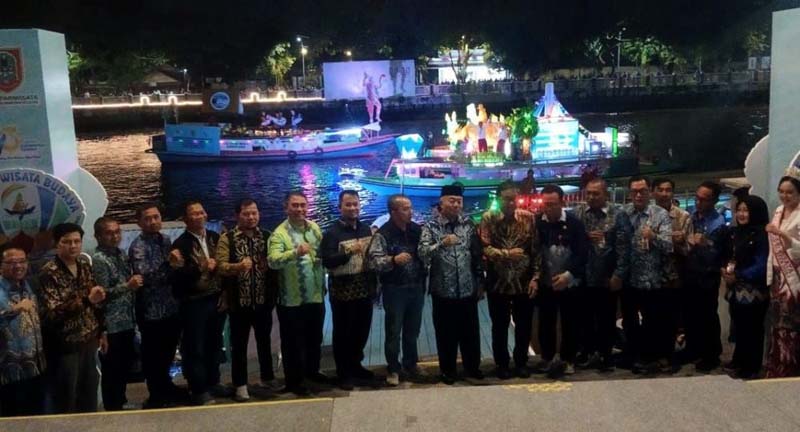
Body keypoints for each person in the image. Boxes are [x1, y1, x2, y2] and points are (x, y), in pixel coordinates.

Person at [419, 184, 485, 384]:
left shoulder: (469, 224)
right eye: (452, 201)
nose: (456, 205)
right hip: (442, 290)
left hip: (467, 288)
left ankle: (472, 367)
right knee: (445, 333)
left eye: (459, 201)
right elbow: (422, 253)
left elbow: (477, 254)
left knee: (470, 332)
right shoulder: (430, 226)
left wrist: (480, 281)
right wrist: (441, 244)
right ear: (442, 203)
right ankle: (447, 370)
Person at [39, 223, 105, 413]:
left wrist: (102, 331)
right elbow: (53, 313)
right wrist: (87, 300)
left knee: (89, 393)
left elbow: (95, 302)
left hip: (89, 340)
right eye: (67, 242)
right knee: (66, 397)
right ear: (57, 244)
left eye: (77, 241)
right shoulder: (49, 272)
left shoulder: (84, 266)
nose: (73, 246)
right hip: (65, 345)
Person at [216, 199, 278, 401]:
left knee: (264, 342)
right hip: (239, 303)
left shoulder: (266, 236)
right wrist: (238, 267)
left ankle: (267, 378)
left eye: (254, 213)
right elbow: (220, 266)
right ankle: (240, 384)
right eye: (246, 214)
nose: (251, 217)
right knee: (239, 346)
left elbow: (274, 262)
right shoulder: (228, 238)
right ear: (237, 216)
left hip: (263, 300)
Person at [480, 181, 541, 379]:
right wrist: (507, 254)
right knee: (499, 326)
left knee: (523, 326)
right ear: (498, 199)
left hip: (523, 282)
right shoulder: (488, 218)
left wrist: (536, 277)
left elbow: (536, 250)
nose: (511, 203)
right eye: (507, 199)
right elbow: (484, 248)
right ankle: (502, 364)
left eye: (514, 199)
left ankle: (521, 362)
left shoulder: (528, 218)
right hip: (498, 282)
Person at [268, 192, 326, 395]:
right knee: (293, 343)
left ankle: (312, 372)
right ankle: (294, 381)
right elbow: (273, 261)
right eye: (295, 205)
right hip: (291, 300)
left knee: (314, 338)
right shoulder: (279, 234)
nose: (300, 209)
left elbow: (321, 252)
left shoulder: (314, 228)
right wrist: (295, 253)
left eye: (303, 205)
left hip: (315, 295)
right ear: (286, 208)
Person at [572, 178, 632, 371]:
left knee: (606, 318)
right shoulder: (577, 213)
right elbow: (570, 241)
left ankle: (605, 354)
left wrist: (619, 274)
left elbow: (624, 248)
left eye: (596, 193)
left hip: (607, 277)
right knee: (583, 318)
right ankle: (586, 352)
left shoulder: (618, 214)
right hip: (582, 276)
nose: (591, 197)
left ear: (605, 194)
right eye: (588, 193)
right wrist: (585, 237)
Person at [169, 201, 225, 405]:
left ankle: (213, 382)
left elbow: (223, 266)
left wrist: (225, 293)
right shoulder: (180, 244)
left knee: (214, 343)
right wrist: (201, 267)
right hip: (193, 303)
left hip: (215, 298)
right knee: (194, 347)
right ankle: (198, 388)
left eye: (201, 212)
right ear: (185, 219)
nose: (199, 216)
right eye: (193, 214)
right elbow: (177, 277)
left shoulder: (215, 237)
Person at [367, 194, 426, 386]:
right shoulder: (383, 234)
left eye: (410, 208)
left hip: (416, 286)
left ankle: (411, 363)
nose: (411, 212)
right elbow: (373, 261)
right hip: (394, 289)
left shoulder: (416, 230)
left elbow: (425, 252)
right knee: (394, 330)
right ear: (393, 212)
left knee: (413, 329)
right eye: (406, 209)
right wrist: (393, 260)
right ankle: (393, 367)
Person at [321, 191, 377, 390]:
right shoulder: (332, 233)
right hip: (343, 292)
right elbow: (327, 261)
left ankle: (356, 366)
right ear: (340, 207)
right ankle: (343, 372)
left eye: (355, 204)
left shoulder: (365, 229)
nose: (353, 208)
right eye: (348, 205)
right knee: (343, 333)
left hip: (365, 288)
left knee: (362, 331)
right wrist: (347, 253)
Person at [129, 203, 183, 408]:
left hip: (170, 306)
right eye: (148, 218)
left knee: (169, 351)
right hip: (151, 310)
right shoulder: (138, 246)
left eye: (156, 217)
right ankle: (156, 395)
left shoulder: (166, 240)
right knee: (153, 355)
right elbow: (145, 277)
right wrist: (169, 264)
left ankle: (167, 386)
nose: (153, 222)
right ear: (139, 222)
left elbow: (174, 271)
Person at [535, 185, 589, 376]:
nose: (548, 208)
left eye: (553, 204)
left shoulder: (575, 224)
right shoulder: (536, 223)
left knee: (570, 323)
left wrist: (568, 275)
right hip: (546, 282)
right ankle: (547, 357)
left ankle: (568, 359)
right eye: (545, 204)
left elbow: (582, 253)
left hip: (570, 282)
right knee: (545, 323)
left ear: (562, 202)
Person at [623, 176, 673, 373]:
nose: (638, 195)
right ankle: (633, 355)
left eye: (642, 191)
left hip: (652, 280)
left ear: (649, 192)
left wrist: (653, 237)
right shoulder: (623, 214)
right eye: (634, 191)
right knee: (629, 321)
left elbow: (668, 246)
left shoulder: (660, 214)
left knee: (652, 321)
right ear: (629, 193)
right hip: (628, 279)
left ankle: (649, 358)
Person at [92, 217, 142, 411]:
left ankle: (121, 401)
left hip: (127, 319)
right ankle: (113, 406)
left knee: (123, 365)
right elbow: (102, 293)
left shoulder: (121, 254)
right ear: (98, 236)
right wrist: (128, 286)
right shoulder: (99, 259)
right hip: (111, 322)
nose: (115, 236)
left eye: (117, 232)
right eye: (109, 233)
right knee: (112, 368)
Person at [722, 195, 769, 379]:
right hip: (735, 289)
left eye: (746, 210)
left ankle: (751, 367)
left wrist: (739, 275)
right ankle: (739, 360)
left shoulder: (762, 234)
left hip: (754, 290)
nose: (741, 214)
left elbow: (762, 264)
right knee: (739, 327)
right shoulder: (737, 232)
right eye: (739, 210)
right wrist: (726, 271)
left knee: (752, 329)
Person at [685, 181, 729, 372]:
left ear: (714, 201)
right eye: (697, 198)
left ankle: (711, 355)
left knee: (708, 315)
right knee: (691, 314)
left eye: (704, 199)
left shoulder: (718, 223)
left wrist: (706, 244)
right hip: (690, 271)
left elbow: (721, 254)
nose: (699, 202)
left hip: (708, 275)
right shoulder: (692, 216)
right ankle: (693, 349)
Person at [0, 246, 46, 416]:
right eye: (12, 262)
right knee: (13, 417)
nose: (18, 266)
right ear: (1, 265)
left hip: (35, 365)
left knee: (36, 414)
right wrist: (14, 310)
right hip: (9, 370)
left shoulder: (29, 285)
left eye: (22, 261)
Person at [652, 178, 692, 364]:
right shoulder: (646, 214)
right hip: (649, 275)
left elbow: (688, 250)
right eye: (660, 190)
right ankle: (652, 353)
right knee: (651, 317)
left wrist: (677, 243)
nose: (664, 193)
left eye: (668, 190)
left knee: (670, 318)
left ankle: (667, 355)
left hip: (673, 276)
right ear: (653, 192)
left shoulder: (683, 216)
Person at [764, 175, 800, 377]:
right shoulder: (778, 211)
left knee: (791, 324)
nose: (785, 196)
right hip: (778, 275)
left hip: (795, 277)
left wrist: (784, 236)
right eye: (781, 191)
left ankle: (792, 365)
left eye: (790, 192)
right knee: (778, 323)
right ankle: (778, 364)